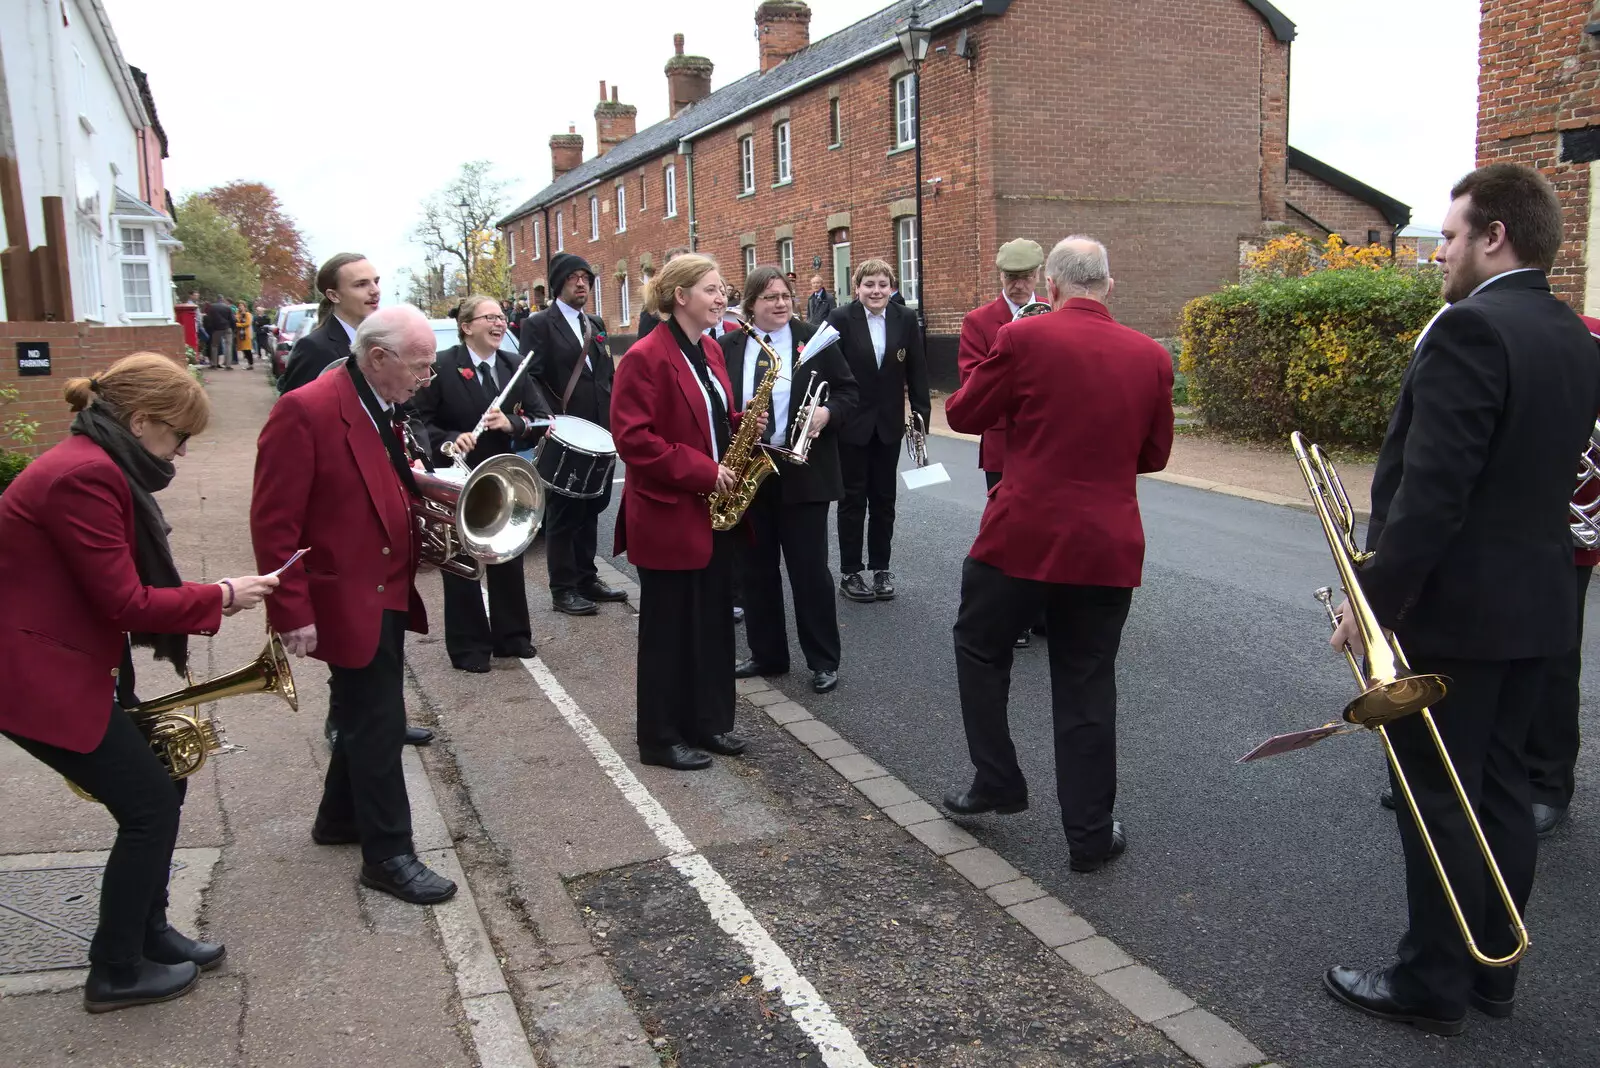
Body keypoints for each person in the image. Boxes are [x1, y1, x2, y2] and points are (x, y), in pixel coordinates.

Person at [1323, 164, 1600, 1036]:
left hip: (1462, 613)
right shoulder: (1570, 333)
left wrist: (1372, 608)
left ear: (1495, 237)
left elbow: (1433, 495)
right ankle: (1493, 972)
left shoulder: (1470, 331)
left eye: (1447, 236)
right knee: (1503, 788)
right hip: (1541, 606)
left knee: (1436, 795)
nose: (1435, 252)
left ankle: (1431, 984)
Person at [0, 354, 278, 1012]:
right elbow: (125, 601)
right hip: (36, 672)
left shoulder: (96, 462)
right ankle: (117, 969)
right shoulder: (85, 475)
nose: (181, 452)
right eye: (179, 437)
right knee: (149, 807)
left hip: (67, 657)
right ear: (143, 420)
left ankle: (148, 931)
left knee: (163, 780)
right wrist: (221, 595)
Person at [941, 237, 1172, 875]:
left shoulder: (1023, 339)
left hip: (1021, 533)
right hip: (1105, 542)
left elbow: (963, 413)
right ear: (1109, 283)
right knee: (1086, 685)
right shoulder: (1152, 356)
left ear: (1050, 281)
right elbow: (1153, 456)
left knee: (980, 649)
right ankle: (1090, 835)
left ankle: (998, 780)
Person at [250, 305, 457, 906]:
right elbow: (273, 522)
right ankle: (389, 855)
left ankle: (339, 819)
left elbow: (381, 477)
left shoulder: (380, 400)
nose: (427, 378)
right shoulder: (306, 409)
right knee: (379, 721)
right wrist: (290, 611)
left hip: (384, 586)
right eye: (419, 367)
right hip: (347, 593)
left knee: (363, 713)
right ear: (378, 358)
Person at [612, 254, 764, 770]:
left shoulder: (712, 351)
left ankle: (706, 722)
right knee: (669, 632)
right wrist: (704, 471)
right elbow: (634, 441)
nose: (724, 298)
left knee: (711, 623)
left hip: (712, 512)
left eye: (724, 290)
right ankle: (659, 737)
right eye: (713, 290)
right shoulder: (644, 356)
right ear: (680, 296)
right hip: (668, 513)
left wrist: (745, 424)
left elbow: (708, 418)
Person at [722, 267, 858, 695]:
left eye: (784, 295)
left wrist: (827, 414)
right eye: (769, 298)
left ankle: (822, 660)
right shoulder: (728, 345)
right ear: (750, 305)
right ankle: (768, 655)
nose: (780, 304)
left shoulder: (816, 338)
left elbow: (849, 392)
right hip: (751, 468)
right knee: (755, 569)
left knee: (809, 570)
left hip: (804, 471)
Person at [412, 294, 552, 672]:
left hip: (503, 479)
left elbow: (543, 420)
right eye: (489, 317)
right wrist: (449, 439)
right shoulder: (442, 366)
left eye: (502, 317)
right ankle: (470, 648)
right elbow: (418, 421)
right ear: (466, 325)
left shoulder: (514, 366)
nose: (500, 323)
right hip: (456, 477)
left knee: (506, 555)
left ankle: (513, 637)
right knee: (460, 563)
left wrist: (513, 424)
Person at [1521, 312, 1600, 837]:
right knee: (1466, 648)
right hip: (1486, 525)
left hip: (1566, 528)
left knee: (1552, 656)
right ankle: (1459, 771)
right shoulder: (1458, 323)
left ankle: (1547, 782)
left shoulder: (1590, 333)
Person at [519, 253, 626, 615]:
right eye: (573, 278)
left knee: (593, 504)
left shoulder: (594, 322)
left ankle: (587, 578)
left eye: (586, 277)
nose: (581, 283)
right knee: (564, 510)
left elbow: (605, 376)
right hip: (566, 431)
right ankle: (563, 588)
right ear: (558, 283)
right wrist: (545, 416)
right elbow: (528, 375)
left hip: (600, 432)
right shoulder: (539, 324)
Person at [958, 238, 1047, 649]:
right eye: (1012, 279)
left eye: (1026, 278)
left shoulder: (1053, 311)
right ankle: (1015, 615)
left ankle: (1043, 610)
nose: (1019, 286)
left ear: (1039, 276)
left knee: (1049, 527)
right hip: (1003, 442)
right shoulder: (980, 320)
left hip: (1048, 441)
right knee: (1010, 530)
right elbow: (973, 382)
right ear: (1001, 277)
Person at [826, 260, 929, 603]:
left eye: (883, 284)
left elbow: (917, 370)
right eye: (869, 284)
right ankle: (851, 572)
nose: (876, 291)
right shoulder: (840, 319)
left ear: (891, 287)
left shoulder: (905, 318)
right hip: (850, 424)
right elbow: (825, 370)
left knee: (884, 500)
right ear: (857, 287)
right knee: (852, 499)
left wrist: (920, 415)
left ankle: (881, 568)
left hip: (888, 425)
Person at [278, 253, 382, 393]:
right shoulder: (314, 349)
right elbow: (294, 411)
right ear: (334, 295)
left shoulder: (382, 341)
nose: (375, 290)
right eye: (361, 284)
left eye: (376, 281)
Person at [203, 297, 234, 369]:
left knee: (214, 346)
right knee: (228, 346)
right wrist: (232, 328)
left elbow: (209, 319)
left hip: (216, 329)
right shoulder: (227, 307)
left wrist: (211, 328)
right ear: (223, 301)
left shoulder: (212, 307)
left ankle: (214, 364)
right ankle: (228, 365)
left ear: (216, 300)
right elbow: (232, 319)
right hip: (227, 328)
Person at [234, 302, 254, 370]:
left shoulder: (248, 314)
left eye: (241, 306)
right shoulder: (238, 314)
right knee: (244, 349)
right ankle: (249, 364)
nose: (240, 307)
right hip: (240, 334)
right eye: (239, 306)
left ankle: (251, 364)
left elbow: (247, 323)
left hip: (246, 334)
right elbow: (236, 320)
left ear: (245, 307)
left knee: (247, 349)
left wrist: (238, 325)